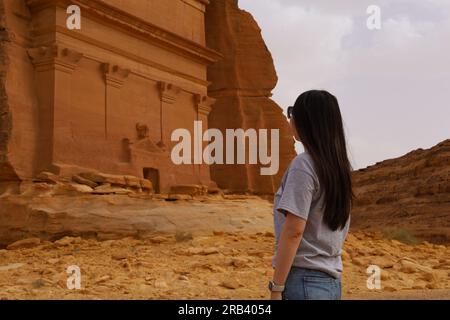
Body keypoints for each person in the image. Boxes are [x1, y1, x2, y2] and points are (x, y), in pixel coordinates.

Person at [269, 90, 353, 300]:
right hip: (332, 282)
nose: (290, 119)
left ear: (306, 120)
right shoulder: (339, 169)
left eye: (292, 113)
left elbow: (294, 230)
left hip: (303, 281)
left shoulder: (304, 164)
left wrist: (277, 287)